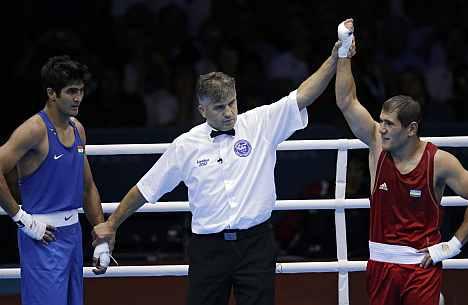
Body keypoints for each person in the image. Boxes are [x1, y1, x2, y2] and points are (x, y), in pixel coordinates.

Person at [92, 34, 345, 305]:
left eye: (232, 103)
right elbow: (145, 188)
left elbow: (304, 94)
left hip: (255, 245)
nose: (229, 112)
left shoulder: (261, 123)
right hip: (208, 249)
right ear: (202, 109)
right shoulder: (186, 145)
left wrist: (335, 58)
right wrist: (111, 223)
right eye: (219, 107)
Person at [335, 19, 468, 305]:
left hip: (421, 266)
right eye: (380, 121)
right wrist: (344, 52)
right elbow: (346, 101)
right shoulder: (377, 146)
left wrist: (451, 247)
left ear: (411, 129)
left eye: (389, 124)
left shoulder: (439, 161)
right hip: (380, 263)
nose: (381, 128)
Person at [0, 55, 111, 305]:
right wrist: (21, 219)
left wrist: (101, 237)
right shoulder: (33, 130)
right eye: (71, 91)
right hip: (42, 235)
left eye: (81, 91)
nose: (78, 98)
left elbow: (88, 186)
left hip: (73, 234)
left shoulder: (77, 129)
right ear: (52, 93)